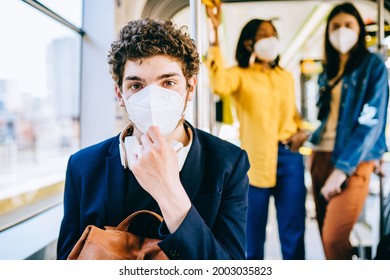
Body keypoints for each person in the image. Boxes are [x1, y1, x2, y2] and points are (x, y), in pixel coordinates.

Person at [56, 18, 250, 260]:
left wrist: (169, 190)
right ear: (120, 94)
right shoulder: (83, 166)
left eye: (168, 83)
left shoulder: (228, 164)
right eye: (137, 86)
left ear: (190, 88)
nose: (152, 98)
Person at [206, 3, 309, 260]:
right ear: (250, 43)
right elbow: (218, 83)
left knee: (294, 232)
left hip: (290, 157)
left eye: (273, 34)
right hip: (255, 161)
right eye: (264, 34)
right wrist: (215, 32)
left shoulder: (285, 76)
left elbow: (293, 116)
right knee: (251, 236)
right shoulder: (240, 76)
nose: (270, 39)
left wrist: (301, 132)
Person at [309, 2, 389, 260]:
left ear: (359, 30)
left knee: (334, 239)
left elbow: (370, 120)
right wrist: (307, 137)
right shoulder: (327, 71)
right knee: (325, 239)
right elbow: (328, 121)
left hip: (353, 161)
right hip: (320, 156)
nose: (341, 31)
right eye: (335, 26)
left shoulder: (373, 66)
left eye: (348, 25)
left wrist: (342, 169)